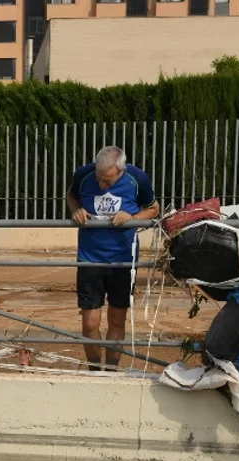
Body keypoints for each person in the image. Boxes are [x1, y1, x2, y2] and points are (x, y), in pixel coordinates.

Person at [67, 146, 159, 371]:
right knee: (90, 323)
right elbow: (72, 196)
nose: (101, 185)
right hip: (89, 257)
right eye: (99, 179)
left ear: (121, 170)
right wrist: (76, 210)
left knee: (117, 319)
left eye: (108, 182)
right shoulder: (83, 174)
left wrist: (133, 217)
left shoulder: (138, 179)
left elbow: (154, 209)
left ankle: (110, 370)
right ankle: (94, 370)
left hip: (123, 260)